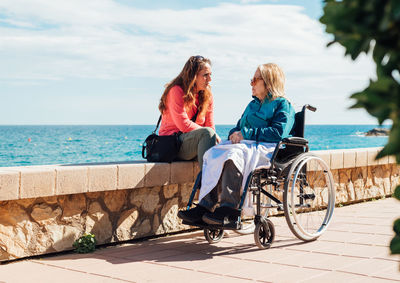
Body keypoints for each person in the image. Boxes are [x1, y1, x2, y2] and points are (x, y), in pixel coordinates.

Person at [178, 63, 295, 226]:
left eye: (255, 80)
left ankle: (229, 209)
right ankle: (205, 205)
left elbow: (277, 133)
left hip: (266, 148)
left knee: (234, 156)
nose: (251, 83)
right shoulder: (252, 105)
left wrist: (245, 134)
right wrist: (234, 133)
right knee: (213, 153)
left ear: (268, 82)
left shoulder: (283, 105)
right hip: (246, 144)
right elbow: (240, 125)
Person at [158, 55, 220, 168]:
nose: (209, 79)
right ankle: (207, 182)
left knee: (222, 153)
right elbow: (183, 125)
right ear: (193, 76)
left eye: (210, 75)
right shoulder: (176, 91)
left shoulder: (207, 96)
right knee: (208, 134)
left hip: (192, 142)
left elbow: (210, 126)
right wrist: (211, 134)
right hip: (173, 144)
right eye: (205, 75)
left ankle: (214, 181)